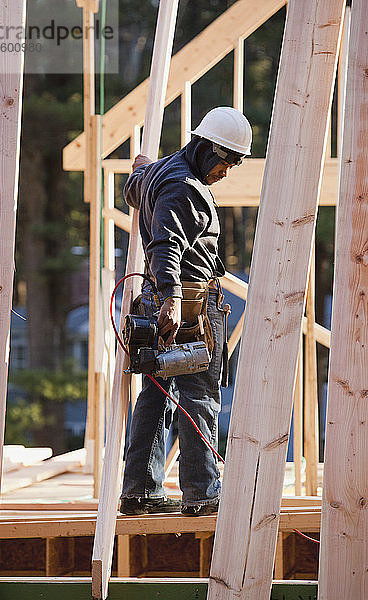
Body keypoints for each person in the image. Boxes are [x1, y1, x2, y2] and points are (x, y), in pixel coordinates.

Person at [119, 107, 252, 516]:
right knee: (200, 397)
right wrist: (174, 298)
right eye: (226, 162)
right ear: (209, 148)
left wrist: (140, 167)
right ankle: (203, 495)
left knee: (158, 395)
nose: (226, 172)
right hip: (188, 305)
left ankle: (140, 492)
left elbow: (134, 190)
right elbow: (166, 245)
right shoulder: (185, 186)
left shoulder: (161, 174)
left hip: (159, 302)